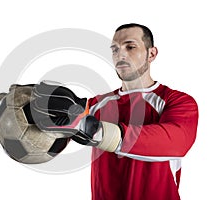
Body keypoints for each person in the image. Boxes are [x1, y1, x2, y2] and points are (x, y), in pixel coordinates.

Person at [29, 23, 199, 200]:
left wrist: (99, 132)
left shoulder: (178, 101)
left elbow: (176, 142)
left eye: (130, 47)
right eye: (115, 49)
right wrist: (22, 111)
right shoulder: (95, 105)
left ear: (152, 54)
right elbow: (54, 130)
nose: (121, 54)